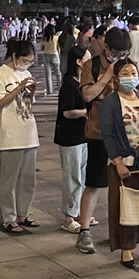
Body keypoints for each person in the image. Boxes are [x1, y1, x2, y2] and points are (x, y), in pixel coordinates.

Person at [76, 27, 139, 254]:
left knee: (126, 183)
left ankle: (124, 232)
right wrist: (108, 75)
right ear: (106, 47)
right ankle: (84, 230)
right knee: (94, 182)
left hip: (126, 134)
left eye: (124, 53)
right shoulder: (92, 65)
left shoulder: (130, 64)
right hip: (98, 132)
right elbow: (87, 95)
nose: (120, 57)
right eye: (116, 52)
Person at [100, 58, 139, 267]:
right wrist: (118, 162)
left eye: (133, 73)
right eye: (125, 74)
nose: (131, 77)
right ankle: (127, 248)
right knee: (124, 205)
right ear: (116, 79)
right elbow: (108, 135)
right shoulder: (110, 103)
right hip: (122, 163)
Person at [0, 39, 40, 233]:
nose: (27, 65)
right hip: (10, 133)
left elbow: (28, 102)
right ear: (14, 56)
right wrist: (20, 87)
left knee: (28, 178)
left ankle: (23, 214)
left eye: (30, 62)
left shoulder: (26, 74)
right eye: (24, 60)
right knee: (8, 179)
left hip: (28, 130)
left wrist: (31, 92)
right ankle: (8, 217)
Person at [56, 45, 90, 233]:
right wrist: (85, 112)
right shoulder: (69, 85)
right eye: (87, 59)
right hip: (70, 137)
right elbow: (67, 112)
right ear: (78, 62)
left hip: (83, 135)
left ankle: (79, 212)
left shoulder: (83, 82)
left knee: (82, 176)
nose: (90, 62)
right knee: (72, 177)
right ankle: (69, 217)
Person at [41, 23, 61, 95]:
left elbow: (41, 48)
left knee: (48, 74)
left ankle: (49, 90)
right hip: (55, 55)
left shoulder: (43, 38)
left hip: (46, 55)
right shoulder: (56, 38)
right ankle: (60, 89)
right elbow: (58, 47)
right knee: (58, 73)